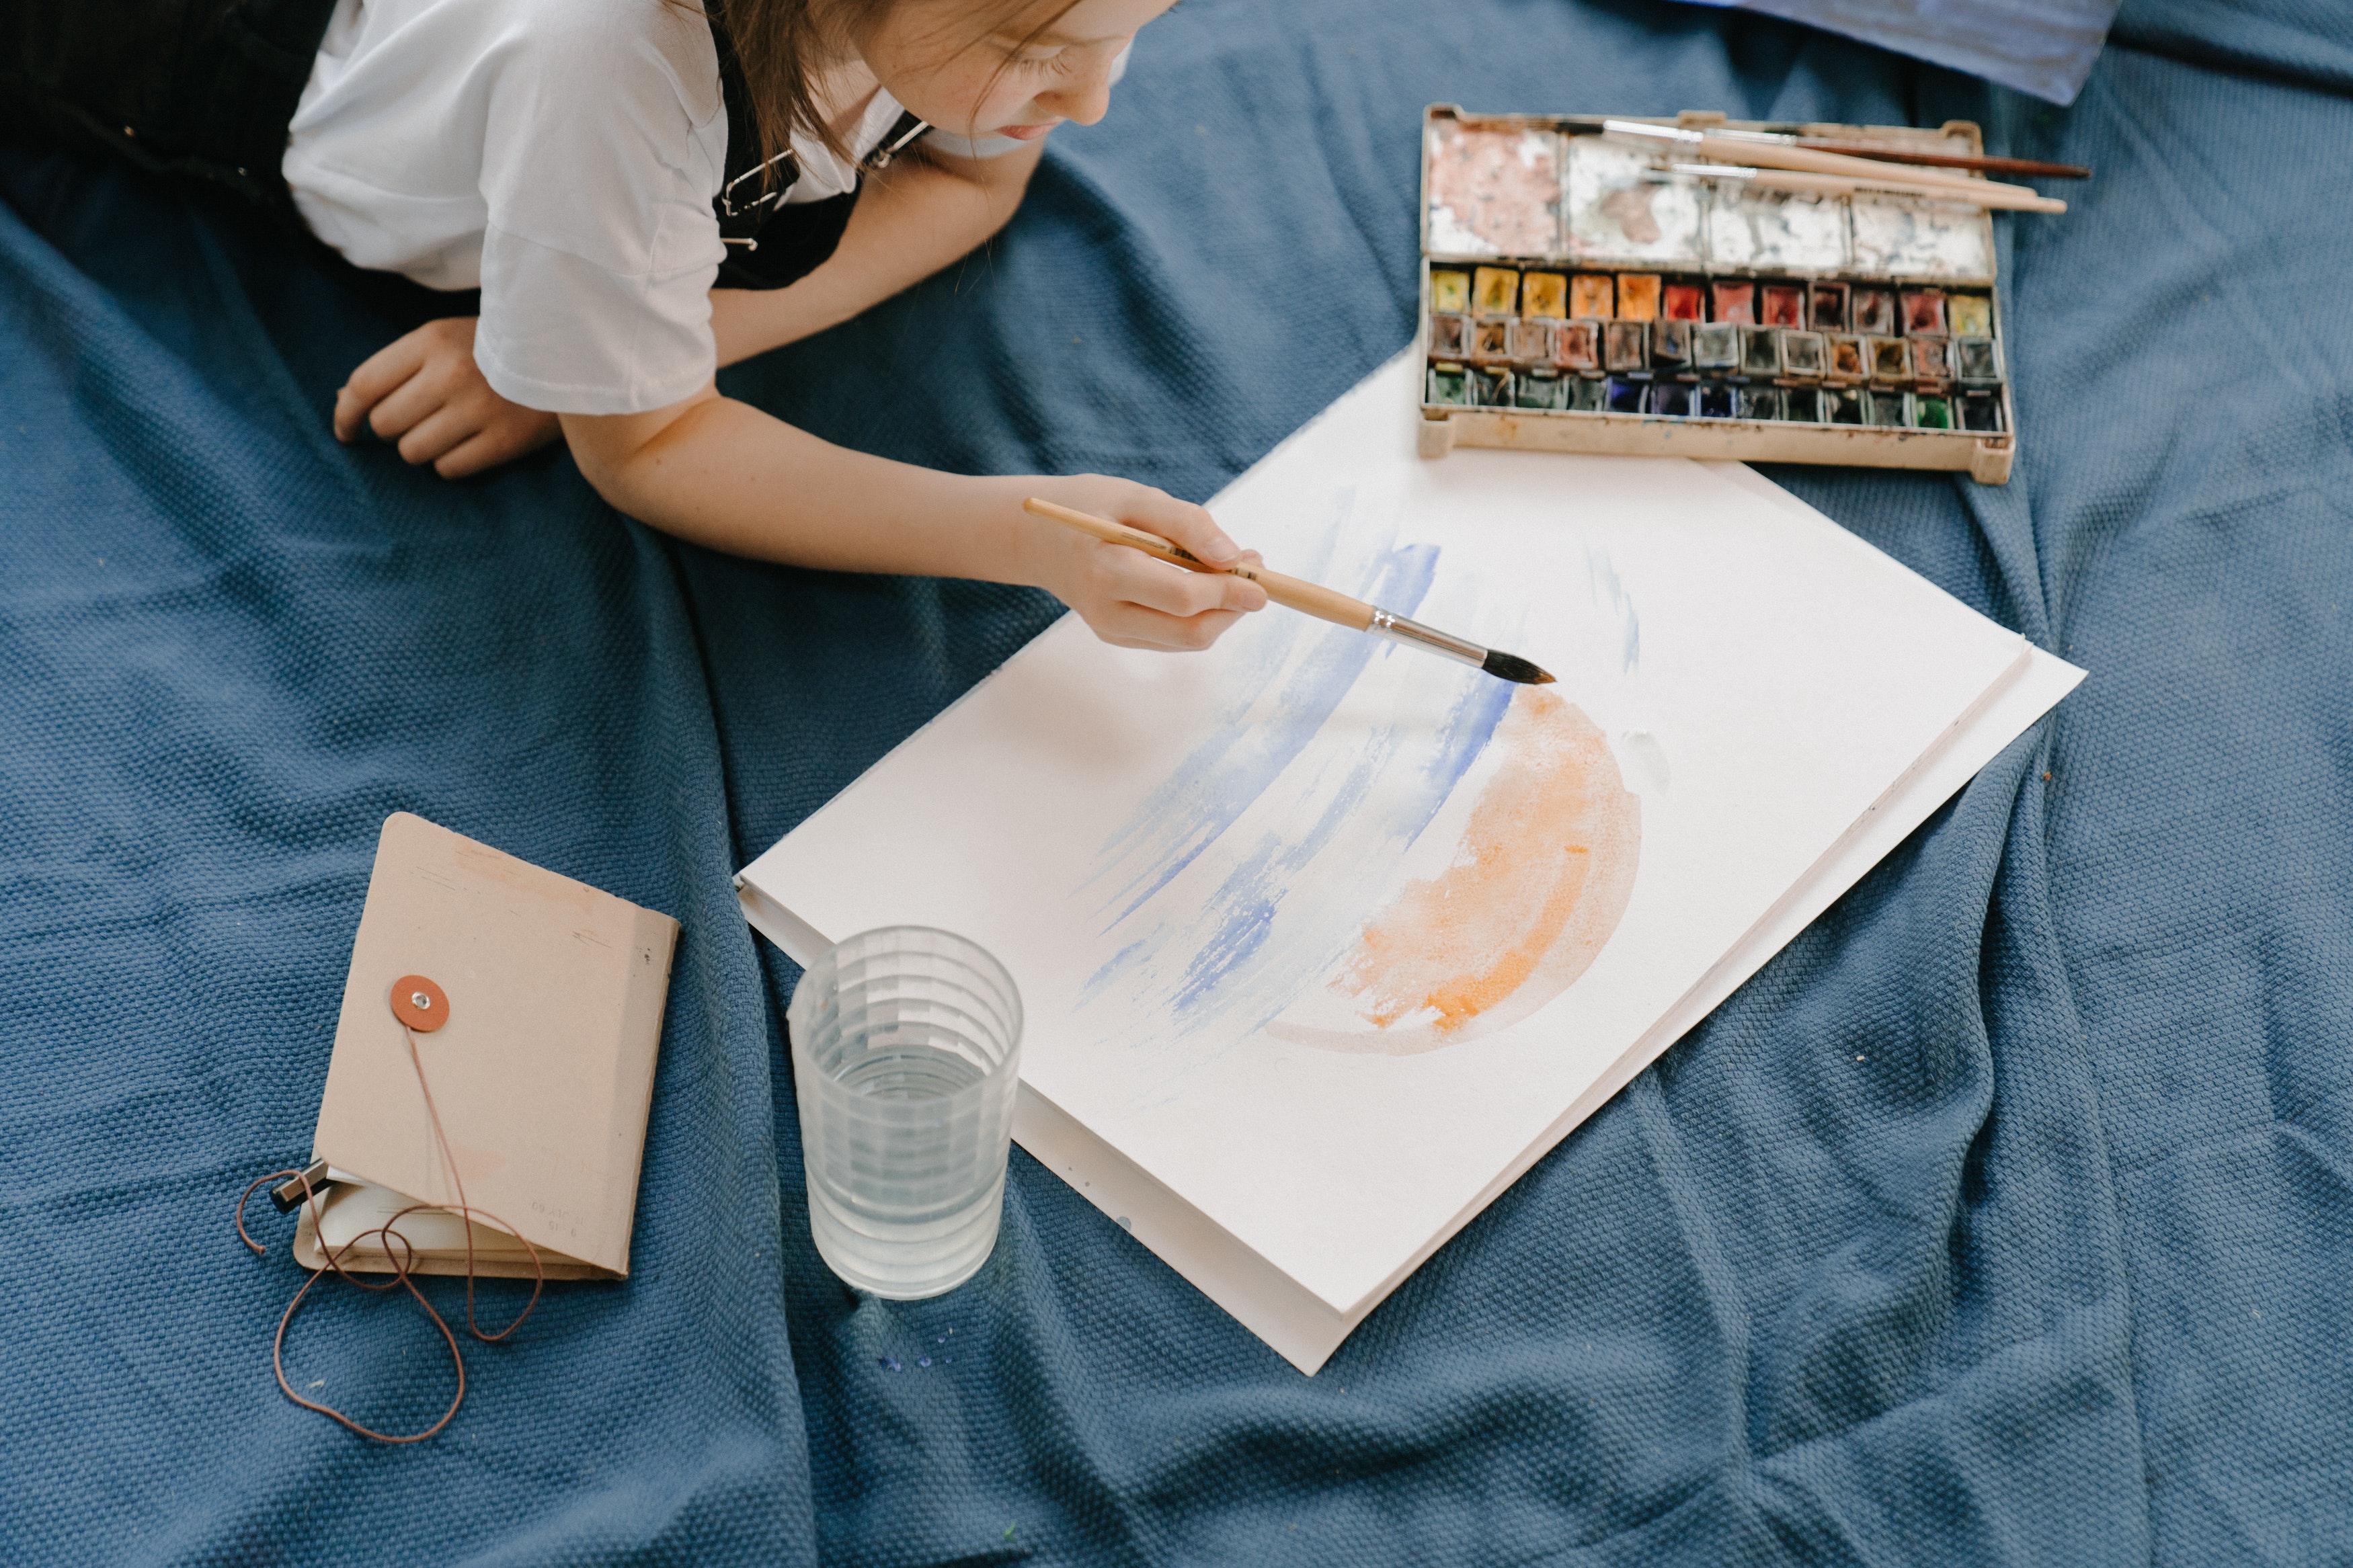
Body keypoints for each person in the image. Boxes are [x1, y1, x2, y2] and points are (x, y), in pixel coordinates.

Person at [6, 0, 1265, 653]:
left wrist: (613, 341)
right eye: (1041, 49)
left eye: (1126, 37)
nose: (1094, 103)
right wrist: (1030, 536)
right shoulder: (613, 68)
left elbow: (975, 181)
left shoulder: (979, 42)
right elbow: (650, 449)